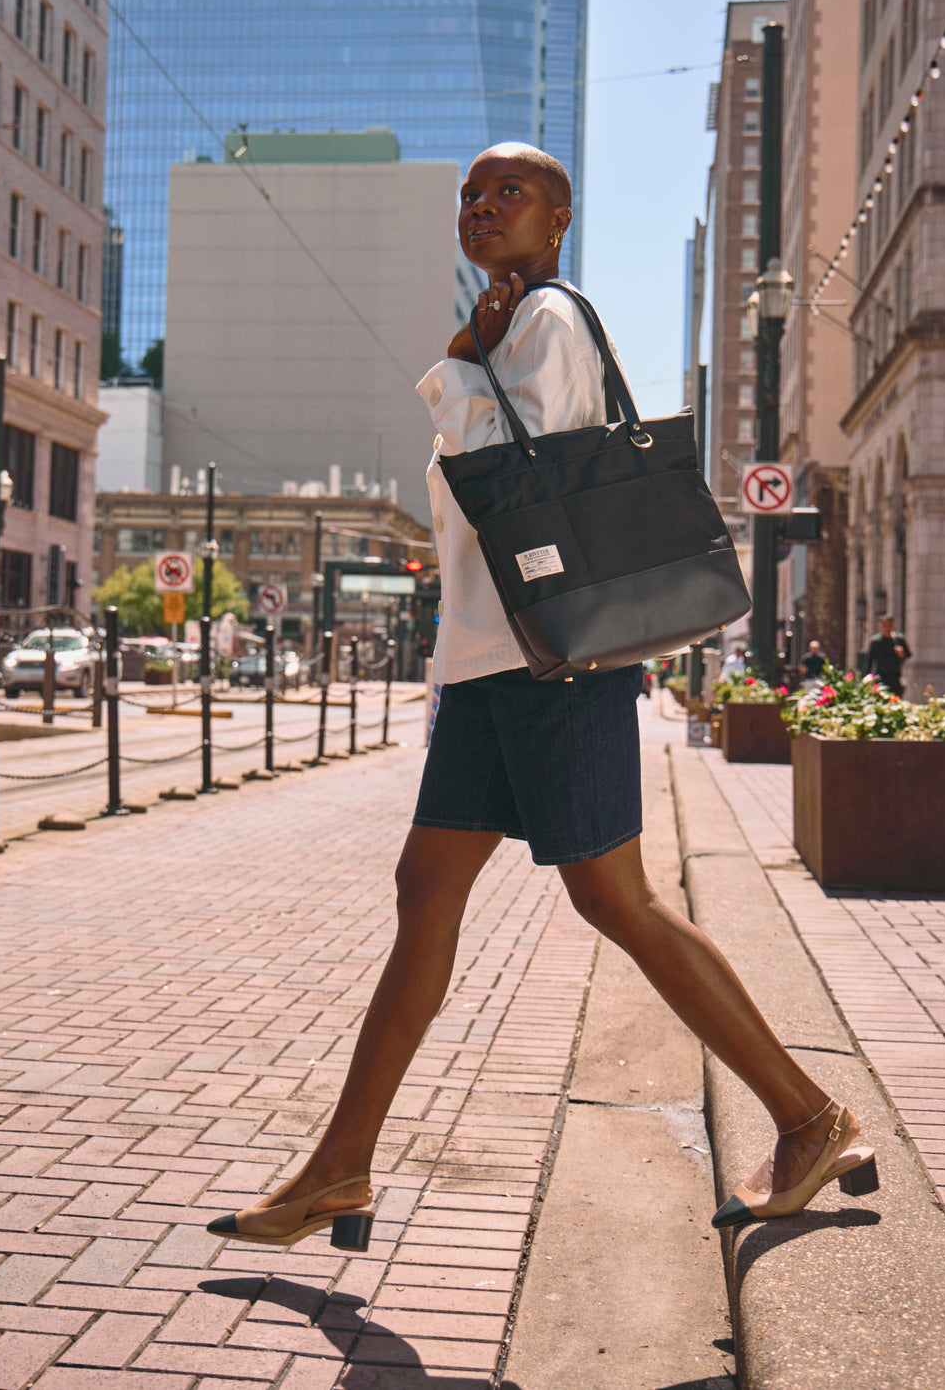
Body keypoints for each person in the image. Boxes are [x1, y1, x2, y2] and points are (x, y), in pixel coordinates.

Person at [206, 143, 878, 1254]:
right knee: (428, 885)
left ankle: (812, 1115)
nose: (480, 208)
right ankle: (341, 1164)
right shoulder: (509, 335)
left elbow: (507, 477)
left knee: (617, 899)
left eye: (505, 193)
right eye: (468, 197)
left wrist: (459, 362)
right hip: (492, 664)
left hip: (554, 663)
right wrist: (470, 357)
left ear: (557, 218)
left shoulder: (550, 321)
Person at [865, 615, 911, 695]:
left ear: (893, 625)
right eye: (884, 626)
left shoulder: (898, 639)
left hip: (895, 677)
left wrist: (902, 653)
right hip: (880, 677)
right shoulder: (875, 641)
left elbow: (908, 654)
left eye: (889, 625)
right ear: (879, 626)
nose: (887, 628)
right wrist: (867, 676)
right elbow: (869, 660)